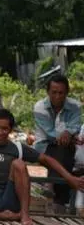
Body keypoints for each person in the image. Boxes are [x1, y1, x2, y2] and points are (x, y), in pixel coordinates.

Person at [0, 109, 84, 225]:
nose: (0, 132)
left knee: (18, 164)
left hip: (11, 198)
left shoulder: (17, 147)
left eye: (4, 128)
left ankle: (24, 214)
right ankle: (6, 217)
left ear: (10, 130)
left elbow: (47, 160)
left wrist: (69, 178)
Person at [33, 74, 81, 210]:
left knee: (65, 148)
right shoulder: (40, 107)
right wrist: (67, 134)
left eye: (61, 93)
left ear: (67, 93)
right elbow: (49, 133)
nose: (58, 96)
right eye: (54, 92)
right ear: (48, 92)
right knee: (60, 147)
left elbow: (75, 125)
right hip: (44, 146)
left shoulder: (75, 106)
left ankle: (52, 186)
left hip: (68, 145)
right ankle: (60, 199)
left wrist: (69, 134)